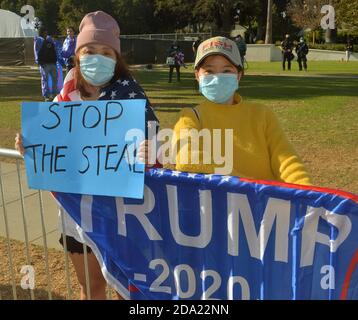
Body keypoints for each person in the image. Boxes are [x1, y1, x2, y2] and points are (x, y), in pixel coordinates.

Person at [16, 11, 159, 300]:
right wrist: (29, 144)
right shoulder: (67, 92)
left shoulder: (130, 95)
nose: (97, 57)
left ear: (116, 57)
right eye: (90, 50)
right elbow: (50, 142)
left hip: (120, 214)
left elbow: (157, 147)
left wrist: (151, 151)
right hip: (76, 214)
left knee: (125, 289)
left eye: (106, 52)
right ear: (77, 53)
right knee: (90, 287)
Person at [172, 36, 311, 186]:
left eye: (226, 70)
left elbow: (287, 162)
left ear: (239, 75)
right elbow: (188, 160)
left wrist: (307, 193)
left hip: (267, 207)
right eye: (209, 71)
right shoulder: (189, 118)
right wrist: (251, 188)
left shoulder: (262, 115)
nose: (218, 78)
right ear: (197, 76)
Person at [34, 28, 59, 101]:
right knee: (45, 80)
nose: (46, 34)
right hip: (44, 65)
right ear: (40, 33)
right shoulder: (38, 40)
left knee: (55, 79)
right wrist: (40, 63)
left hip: (52, 64)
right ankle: (46, 96)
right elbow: (36, 52)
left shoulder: (49, 40)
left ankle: (54, 95)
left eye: (46, 32)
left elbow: (54, 51)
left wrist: (55, 61)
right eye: (44, 33)